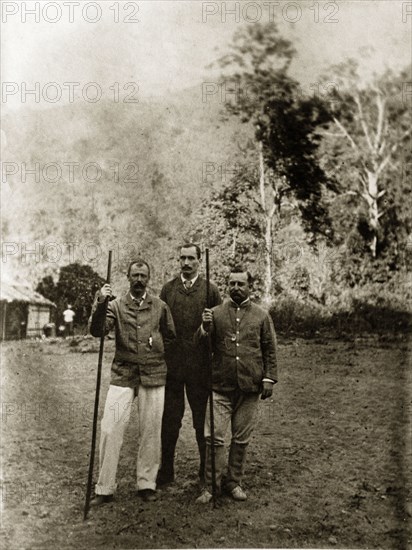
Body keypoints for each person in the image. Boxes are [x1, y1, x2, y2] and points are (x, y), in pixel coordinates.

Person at [89, 259, 176, 506]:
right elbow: (98, 331)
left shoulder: (159, 306)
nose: (139, 279)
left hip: (153, 375)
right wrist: (100, 301)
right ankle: (104, 487)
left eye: (143, 276)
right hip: (123, 374)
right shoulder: (115, 305)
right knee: (110, 427)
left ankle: (146, 483)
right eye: (135, 275)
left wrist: (156, 352)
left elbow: (171, 336)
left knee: (151, 429)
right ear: (128, 277)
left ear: (149, 279)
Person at [195, 267, 278, 503]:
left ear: (250, 286)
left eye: (241, 284)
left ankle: (234, 482)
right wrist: (204, 328)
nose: (236, 288)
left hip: (250, 387)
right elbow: (200, 346)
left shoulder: (262, 316)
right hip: (220, 385)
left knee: (241, 438)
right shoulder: (214, 314)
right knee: (215, 437)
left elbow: (269, 349)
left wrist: (268, 378)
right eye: (232, 283)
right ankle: (211, 486)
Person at [157, 244, 222, 486]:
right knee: (170, 419)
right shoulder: (168, 289)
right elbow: (159, 323)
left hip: (199, 367)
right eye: (182, 258)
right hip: (172, 367)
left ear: (198, 261)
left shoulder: (210, 291)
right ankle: (166, 470)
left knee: (201, 420)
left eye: (191, 258)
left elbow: (220, 326)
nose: (186, 262)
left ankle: (205, 471)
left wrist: (210, 328)